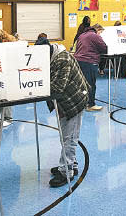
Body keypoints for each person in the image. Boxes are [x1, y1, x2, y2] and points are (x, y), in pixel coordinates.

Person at [34, 36, 88, 187]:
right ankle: (71, 165)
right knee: (66, 136)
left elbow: (58, 87)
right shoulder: (53, 57)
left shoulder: (62, 59)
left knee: (69, 138)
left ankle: (66, 172)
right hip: (65, 102)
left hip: (74, 101)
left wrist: (34, 87)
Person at [74, 23, 107, 111]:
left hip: (78, 61)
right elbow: (104, 48)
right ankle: (90, 105)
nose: (100, 34)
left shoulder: (82, 35)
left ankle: (81, 103)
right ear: (98, 30)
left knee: (82, 84)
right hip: (89, 61)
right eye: (101, 32)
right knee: (91, 84)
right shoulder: (95, 36)